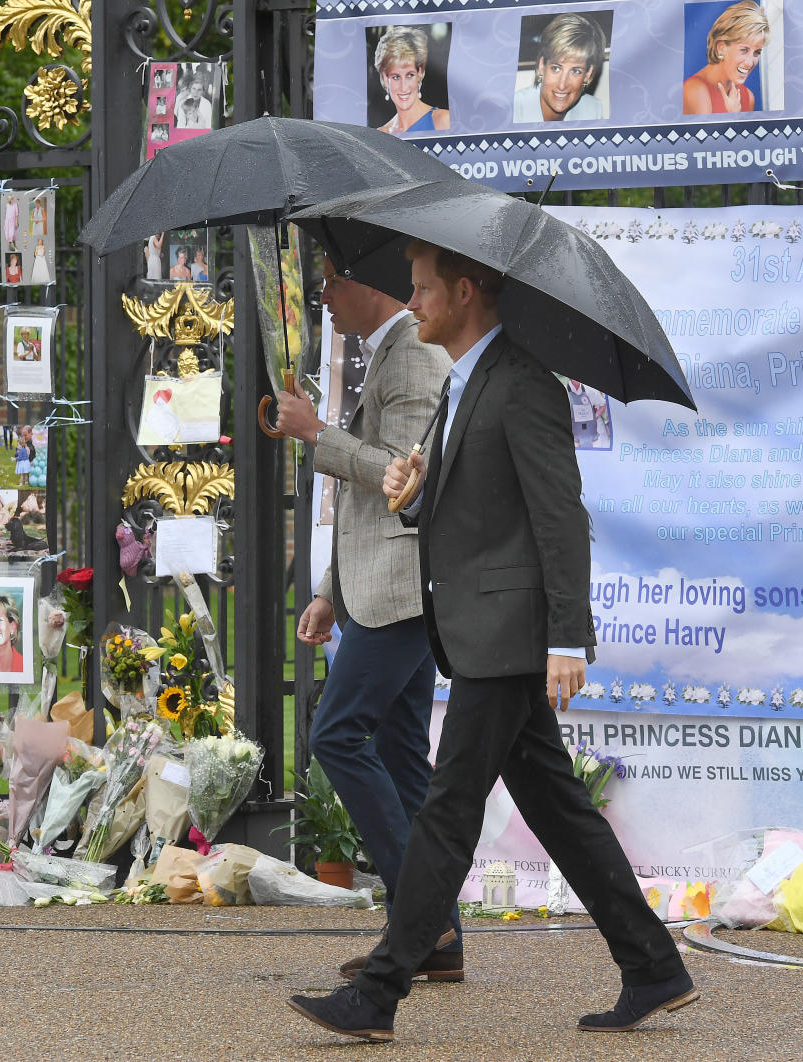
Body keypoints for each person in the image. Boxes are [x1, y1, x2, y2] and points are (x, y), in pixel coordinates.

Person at [288, 241, 696, 1042]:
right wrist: (412, 495)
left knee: (446, 813)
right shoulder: (462, 383)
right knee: (558, 809)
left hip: (508, 641)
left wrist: (568, 639)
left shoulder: (522, 385)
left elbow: (560, 517)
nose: (412, 300)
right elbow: (472, 509)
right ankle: (654, 965)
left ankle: (377, 996)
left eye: (423, 288)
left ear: (466, 291)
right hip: (480, 635)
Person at [273, 258, 460, 977]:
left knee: (338, 734)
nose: (322, 295)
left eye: (331, 280)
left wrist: (314, 430)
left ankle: (418, 922)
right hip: (381, 586)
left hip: (404, 589)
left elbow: (399, 474)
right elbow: (367, 501)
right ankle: (437, 939)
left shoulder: (411, 349)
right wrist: (329, 588)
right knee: (402, 753)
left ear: (367, 283)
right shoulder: (389, 348)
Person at [514, 13, 607, 123]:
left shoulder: (592, 110)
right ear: (542, 66)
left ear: (588, 74)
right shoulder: (514, 109)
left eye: (575, 71)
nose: (562, 85)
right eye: (556, 68)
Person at [683, 1, 769, 115]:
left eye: (757, 52)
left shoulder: (748, 96)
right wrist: (732, 113)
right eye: (744, 50)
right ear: (721, 48)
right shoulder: (695, 91)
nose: (749, 63)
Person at [373, 27, 450, 135]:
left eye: (409, 75)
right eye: (396, 77)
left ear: (420, 74)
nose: (404, 87)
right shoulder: (379, 135)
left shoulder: (443, 121)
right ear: (385, 79)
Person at [565, 378, 609, 449]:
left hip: (594, 434)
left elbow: (603, 404)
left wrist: (596, 416)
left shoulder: (590, 390)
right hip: (574, 437)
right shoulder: (564, 391)